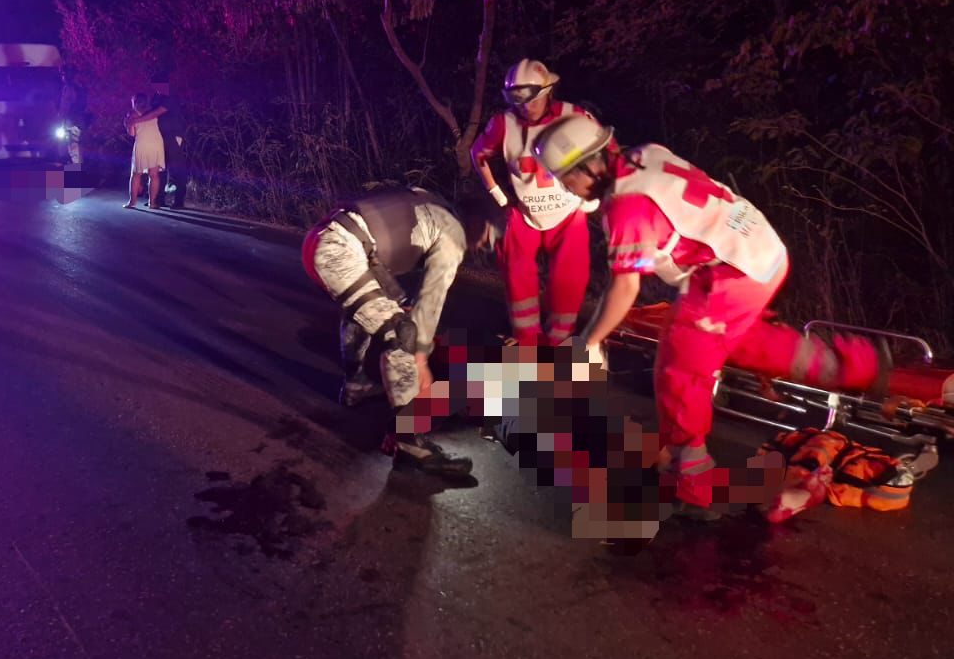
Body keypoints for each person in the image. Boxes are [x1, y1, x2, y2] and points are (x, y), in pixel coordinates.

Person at [532, 115, 893, 519]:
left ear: (589, 166)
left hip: (728, 271)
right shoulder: (645, 154)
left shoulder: (625, 205)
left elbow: (625, 287)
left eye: (565, 178)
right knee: (737, 341)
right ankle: (853, 365)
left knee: (680, 364)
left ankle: (690, 480)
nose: (566, 188)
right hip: (759, 250)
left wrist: (590, 340)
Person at [301, 184, 484, 476]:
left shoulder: (426, 200)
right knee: (401, 335)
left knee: (366, 312)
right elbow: (431, 299)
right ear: (476, 222)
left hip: (323, 240)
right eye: (489, 235)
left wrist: (398, 302)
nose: (485, 244)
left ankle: (357, 387)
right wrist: (419, 359)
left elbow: (376, 251)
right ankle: (408, 441)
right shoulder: (454, 233)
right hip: (341, 251)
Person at [471, 60, 605, 346]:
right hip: (525, 212)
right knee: (516, 273)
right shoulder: (503, 124)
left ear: (548, 91)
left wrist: (592, 195)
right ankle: (527, 339)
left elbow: (602, 152)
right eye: (518, 100)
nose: (526, 107)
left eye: (532, 99)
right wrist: (497, 194)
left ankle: (558, 339)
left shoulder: (573, 115)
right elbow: (478, 154)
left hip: (568, 211)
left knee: (570, 278)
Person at [150, 80, 188, 208]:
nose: (155, 88)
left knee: (177, 168)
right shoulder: (157, 97)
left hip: (173, 136)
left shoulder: (171, 97)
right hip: (160, 137)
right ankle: (159, 199)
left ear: (164, 84)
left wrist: (137, 119)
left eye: (156, 85)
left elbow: (157, 112)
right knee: (161, 168)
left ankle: (179, 201)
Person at [124, 93, 165, 209]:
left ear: (134, 102)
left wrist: (128, 125)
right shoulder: (153, 112)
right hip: (156, 143)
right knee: (154, 174)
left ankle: (132, 202)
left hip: (142, 143)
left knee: (136, 174)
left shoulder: (132, 115)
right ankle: (152, 203)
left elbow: (132, 134)